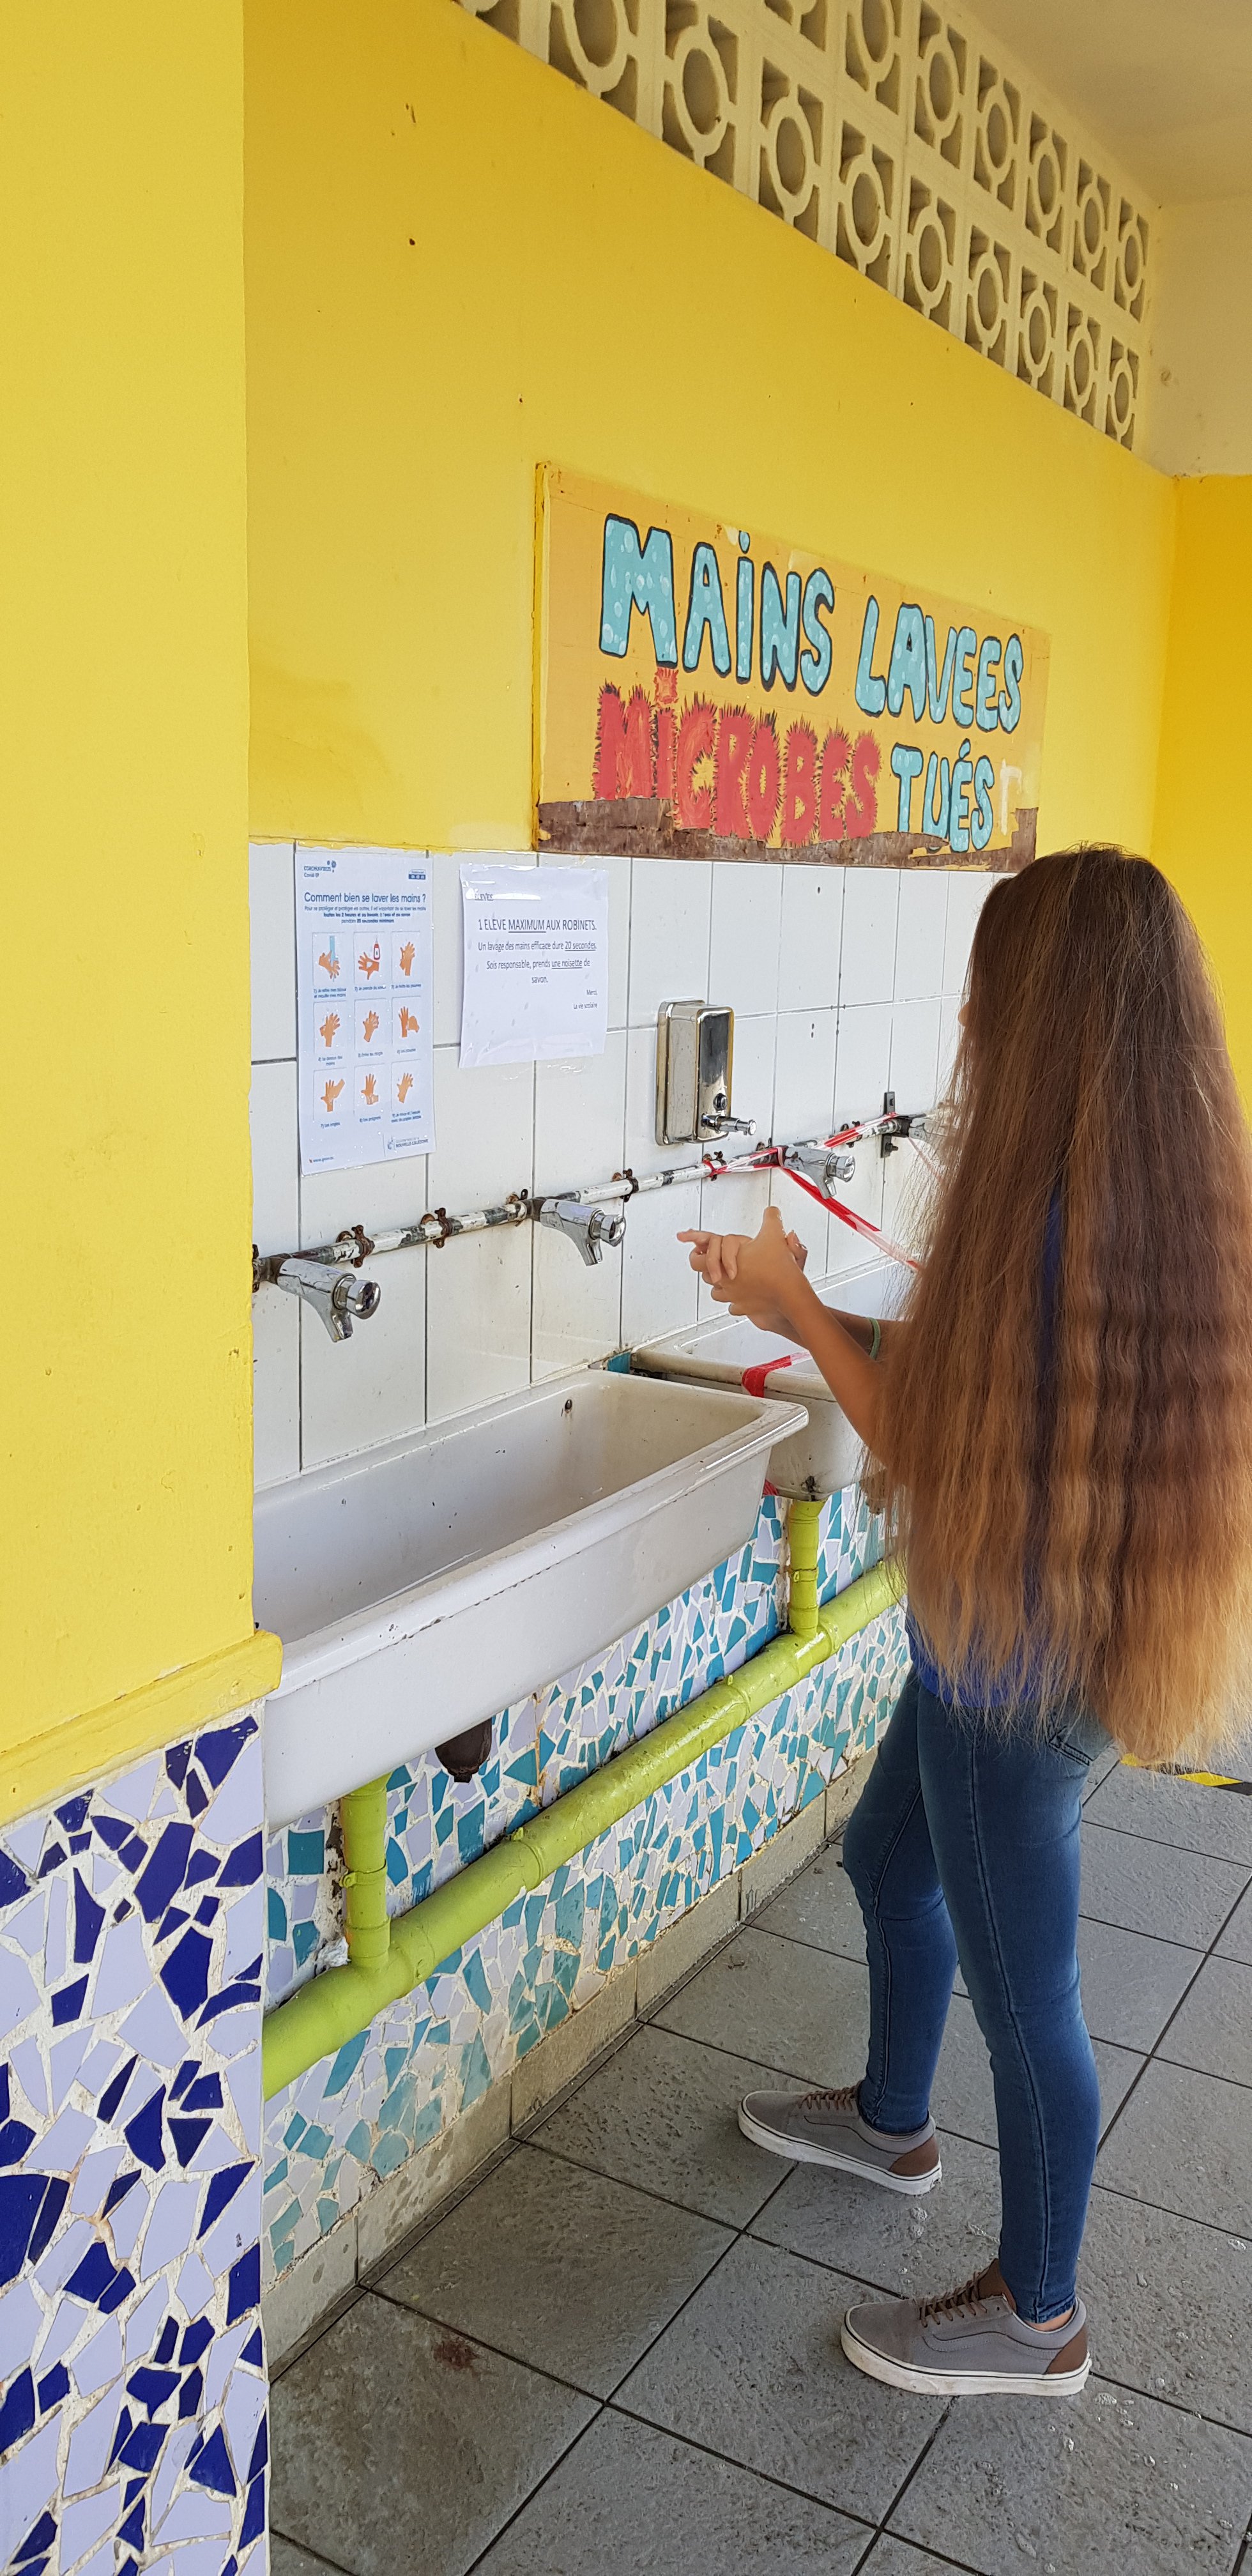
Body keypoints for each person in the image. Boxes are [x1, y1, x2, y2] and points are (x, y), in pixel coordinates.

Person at [679, 846, 1252, 2399]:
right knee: (886, 1862)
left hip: (1015, 1671)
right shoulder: (1141, 1194)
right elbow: (987, 1394)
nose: (962, 1016)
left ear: (1049, 1015)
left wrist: (798, 1310)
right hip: (1017, 1634)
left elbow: (939, 1451)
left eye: (986, 987)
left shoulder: (1056, 1219)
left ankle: (1037, 2314)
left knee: (1028, 2005)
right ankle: (888, 2122)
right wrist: (809, 1305)